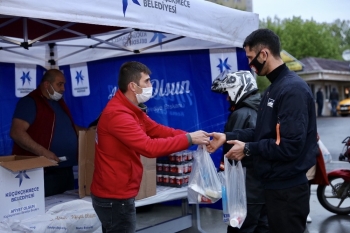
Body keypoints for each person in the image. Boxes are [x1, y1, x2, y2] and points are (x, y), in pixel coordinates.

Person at [207, 29, 319, 233]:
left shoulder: (292, 90)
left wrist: (248, 149)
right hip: (274, 189)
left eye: (251, 58)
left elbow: (290, 146)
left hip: (288, 192)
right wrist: (227, 137)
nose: (250, 64)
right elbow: (261, 133)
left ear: (264, 54)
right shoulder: (273, 88)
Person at [90, 61, 210, 233]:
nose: (151, 85)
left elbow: (158, 130)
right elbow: (149, 147)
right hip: (114, 197)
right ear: (133, 86)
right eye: (146, 81)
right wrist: (189, 139)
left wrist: (195, 137)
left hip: (118, 194)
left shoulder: (131, 109)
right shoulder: (118, 114)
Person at [10, 69, 85, 197]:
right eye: (59, 84)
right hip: (44, 172)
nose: (63, 89)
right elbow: (16, 133)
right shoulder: (30, 102)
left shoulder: (59, 103)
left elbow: (68, 127)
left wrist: (88, 133)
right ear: (46, 85)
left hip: (66, 170)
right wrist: (44, 153)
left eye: (64, 85)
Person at [211, 70, 269, 233]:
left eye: (228, 92)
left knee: (240, 229)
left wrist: (221, 175)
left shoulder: (241, 114)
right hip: (263, 187)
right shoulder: (264, 109)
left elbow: (230, 153)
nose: (228, 98)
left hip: (245, 189)